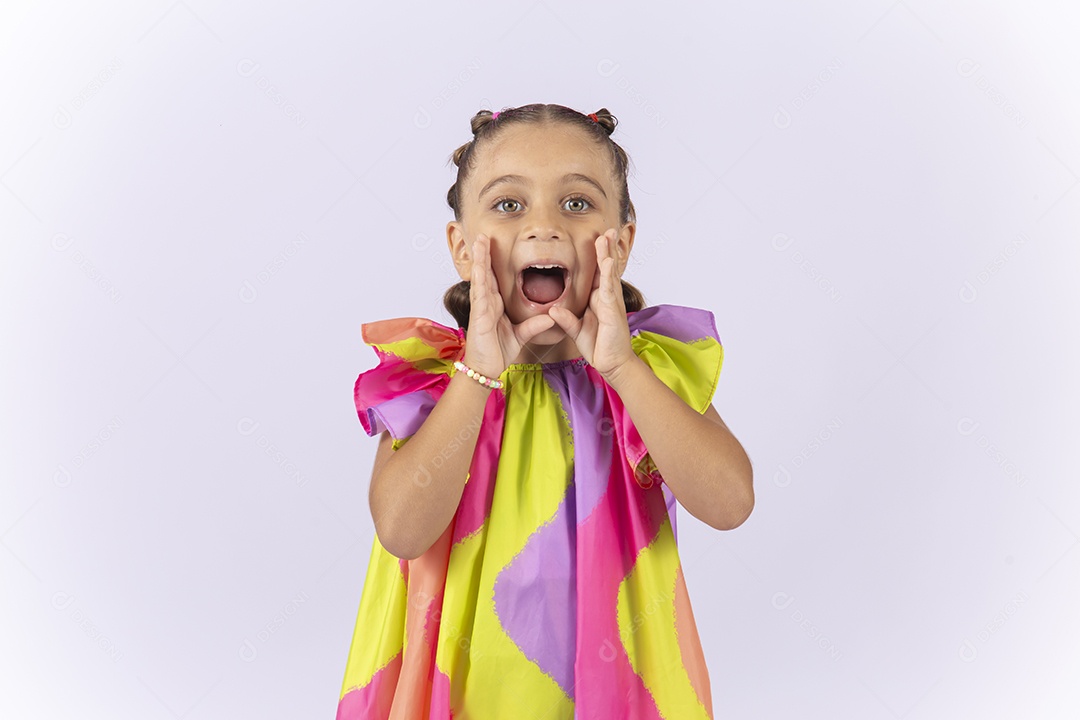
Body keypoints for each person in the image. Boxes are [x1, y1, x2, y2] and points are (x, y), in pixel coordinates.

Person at [336, 103, 754, 720]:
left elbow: (729, 503)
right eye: (508, 205)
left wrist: (622, 368)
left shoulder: (649, 372)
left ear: (623, 241)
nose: (544, 227)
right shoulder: (434, 380)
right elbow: (402, 529)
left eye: (578, 204)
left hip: (613, 685)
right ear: (460, 246)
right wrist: (478, 373)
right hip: (462, 688)